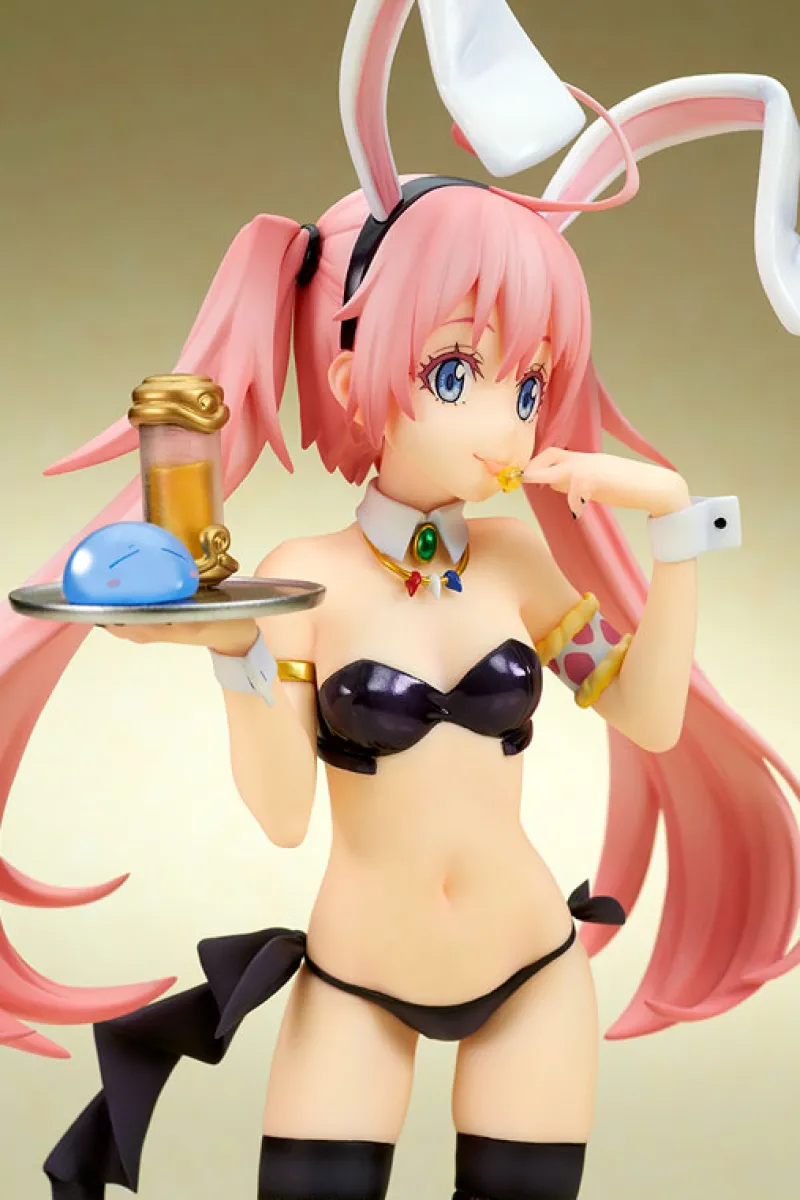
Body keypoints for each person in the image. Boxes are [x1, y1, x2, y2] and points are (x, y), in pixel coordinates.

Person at [3, 3, 800, 1198]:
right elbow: (282, 815)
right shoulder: (306, 577)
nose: (506, 425)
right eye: (456, 371)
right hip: (354, 980)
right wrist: (238, 655)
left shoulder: (520, 566)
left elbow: (646, 716)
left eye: (529, 386)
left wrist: (677, 528)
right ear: (348, 369)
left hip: (532, 972)